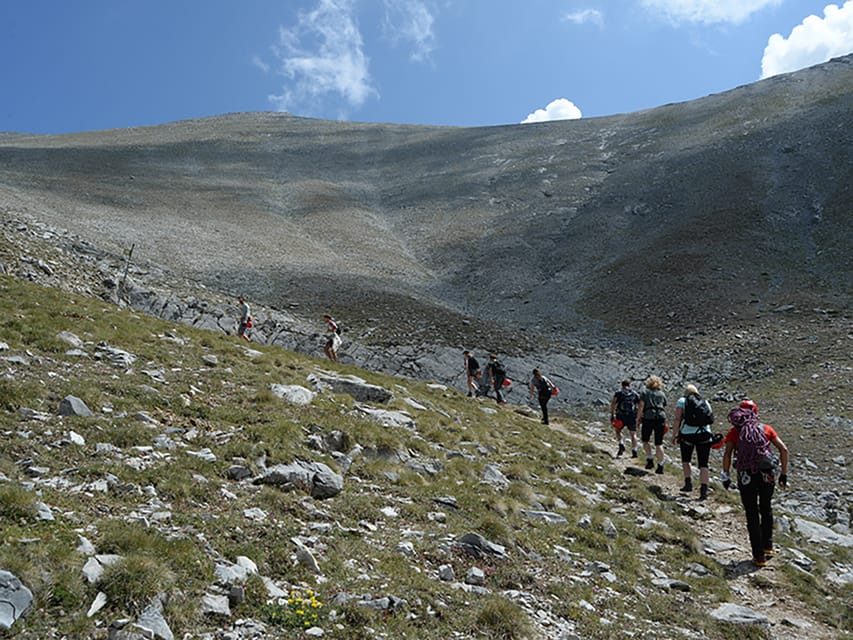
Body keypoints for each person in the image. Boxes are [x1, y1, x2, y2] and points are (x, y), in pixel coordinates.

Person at [722, 405, 789, 568]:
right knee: (766, 508)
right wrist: (783, 474)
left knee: (752, 513)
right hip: (767, 474)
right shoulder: (765, 429)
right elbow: (784, 449)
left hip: (746, 476)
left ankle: (758, 556)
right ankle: (768, 546)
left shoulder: (733, 432)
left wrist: (726, 475)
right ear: (755, 413)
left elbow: (728, 454)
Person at [671, 384, 714, 499]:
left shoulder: (682, 401)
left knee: (686, 460)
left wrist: (674, 435)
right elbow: (710, 419)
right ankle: (703, 490)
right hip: (705, 434)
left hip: (688, 434)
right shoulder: (705, 402)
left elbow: (677, 419)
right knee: (704, 464)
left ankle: (688, 483)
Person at [636, 375, 667, 474]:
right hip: (661, 417)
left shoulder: (644, 392)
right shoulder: (662, 394)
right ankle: (661, 465)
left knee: (645, 440)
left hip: (649, 417)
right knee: (659, 443)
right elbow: (664, 406)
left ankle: (650, 459)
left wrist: (638, 418)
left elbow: (641, 406)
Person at [610, 379, 639, 458]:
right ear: (629, 385)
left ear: (622, 385)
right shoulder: (634, 394)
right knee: (633, 434)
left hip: (621, 415)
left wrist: (612, 414)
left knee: (618, 431)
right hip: (632, 416)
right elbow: (640, 405)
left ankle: (621, 444)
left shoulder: (619, 393)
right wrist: (639, 417)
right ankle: (634, 451)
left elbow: (613, 403)